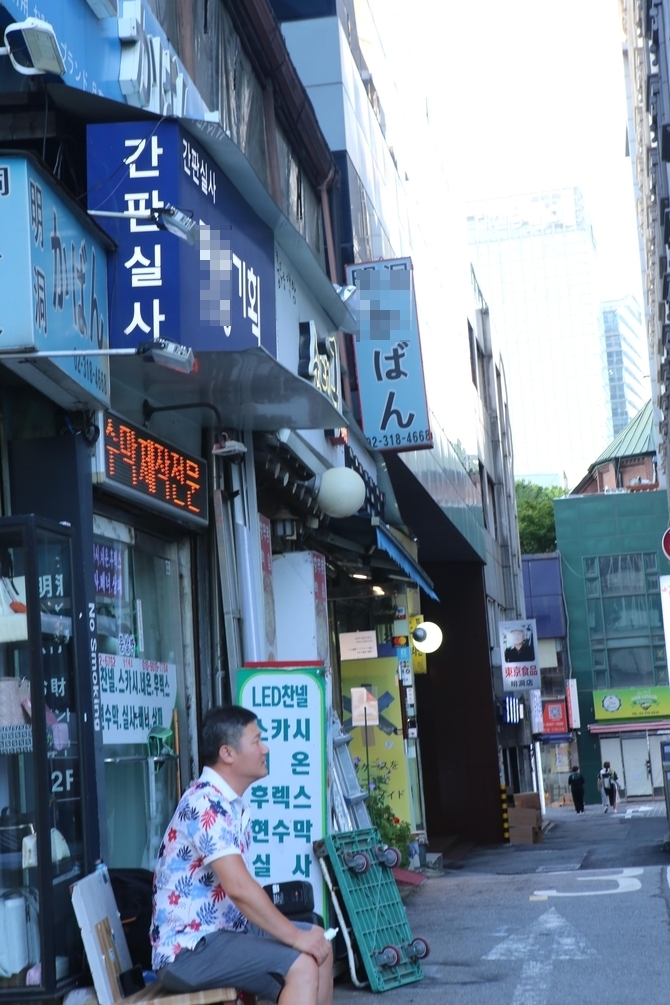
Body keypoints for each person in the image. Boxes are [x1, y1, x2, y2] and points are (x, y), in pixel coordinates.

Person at [150, 705, 332, 1005]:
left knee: (320, 944)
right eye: (257, 740)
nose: (265, 748)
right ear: (227, 753)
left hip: (224, 935)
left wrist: (301, 936)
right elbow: (239, 888)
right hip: (188, 951)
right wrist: (294, 936)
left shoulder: (228, 803)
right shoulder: (205, 803)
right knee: (302, 963)